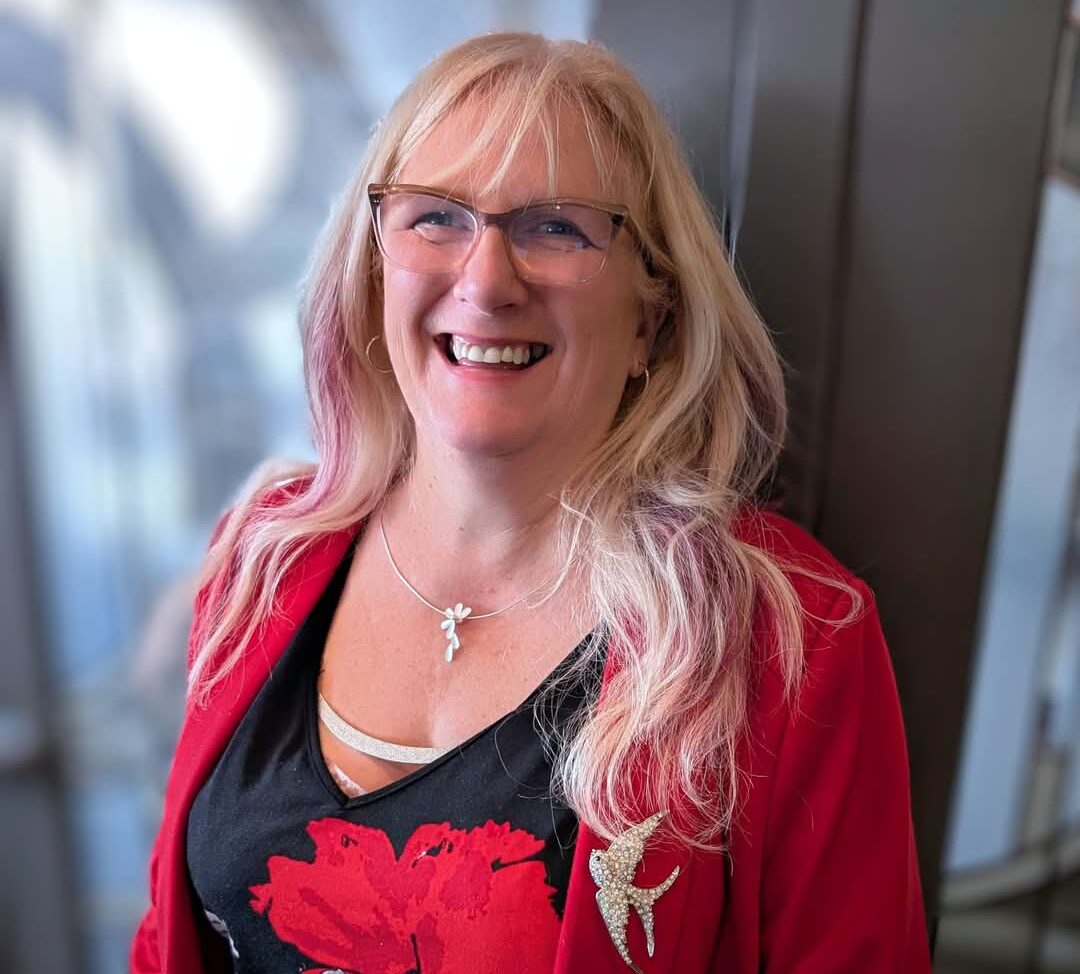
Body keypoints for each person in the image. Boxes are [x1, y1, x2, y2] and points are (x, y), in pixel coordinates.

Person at [131, 32, 932, 974]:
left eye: (556, 227)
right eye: (436, 218)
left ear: (652, 322)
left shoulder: (789, 637)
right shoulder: (261, 558)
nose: (485, 280)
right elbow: (166, 942)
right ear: (374, 266)